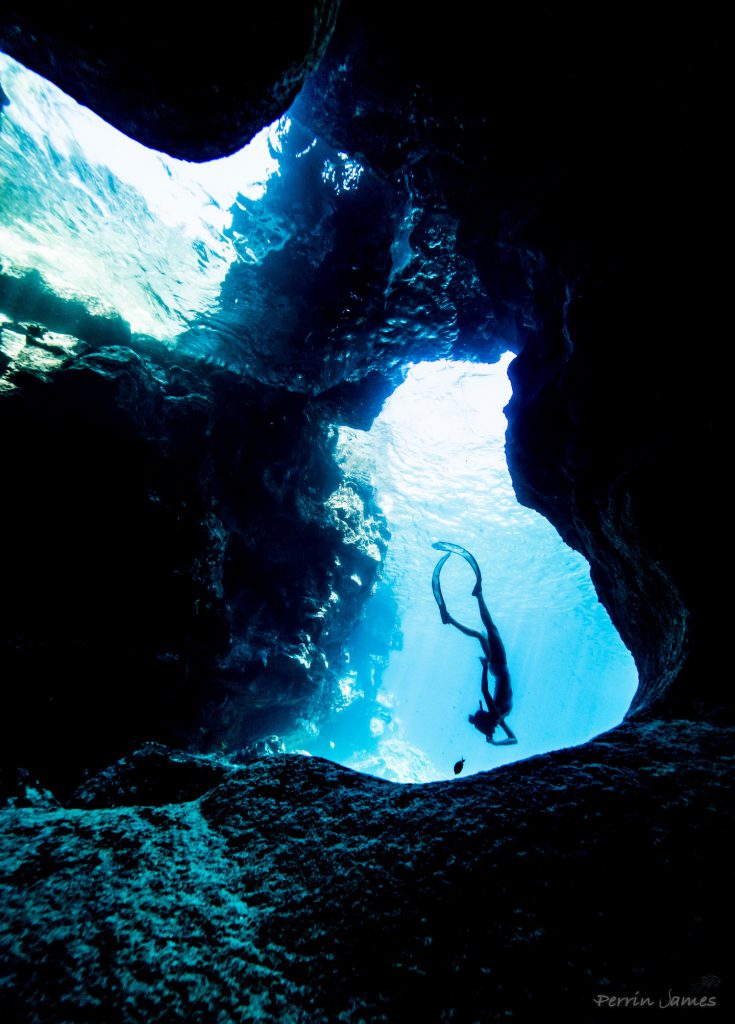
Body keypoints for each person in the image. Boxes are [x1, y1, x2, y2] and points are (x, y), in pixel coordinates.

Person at [432, 542, 518, 746]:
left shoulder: (497, 714)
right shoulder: (498, 716)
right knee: (484, 633)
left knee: (490, 629)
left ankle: (477, 595)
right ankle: (450, 618)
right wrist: (494, 741)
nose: (496, 728)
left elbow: (485, 692)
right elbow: (513, 740)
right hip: (496, 670)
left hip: (498, 668)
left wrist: (484, 668)